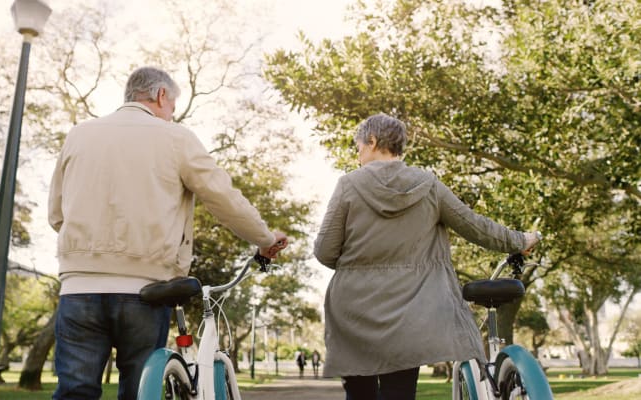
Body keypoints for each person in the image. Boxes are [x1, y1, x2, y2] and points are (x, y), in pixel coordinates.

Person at [48, 66, 287, 400]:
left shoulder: (79, 134)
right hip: (145, 290)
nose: (171, 116)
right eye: (172, 108)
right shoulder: (175, 138)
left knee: (75, 390)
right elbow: (223, 198)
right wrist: (264, 238)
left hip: (79, 289)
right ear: (161, 96)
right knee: (137, 391)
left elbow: (57, 216)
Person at [313, 113, 540, 400]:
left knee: (360, 395)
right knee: (400, 393)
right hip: (411, 309)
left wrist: (356, 265)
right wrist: (520, 240)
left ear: (372, 141)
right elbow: (475, 226)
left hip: (355, 311)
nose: (357, 153)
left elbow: (324, 251)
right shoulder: (428, 185)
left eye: (358, 146)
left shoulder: (347, 185)